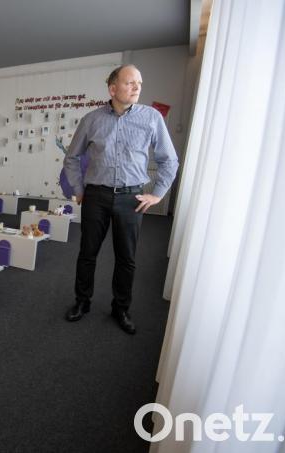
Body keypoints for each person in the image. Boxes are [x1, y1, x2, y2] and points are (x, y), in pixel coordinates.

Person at [59, 64, 179, 334]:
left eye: (139, 82)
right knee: (87, 253)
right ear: (113, 88)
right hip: (96, 197)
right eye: (130, 82)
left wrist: (157, 193)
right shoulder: (91, 119)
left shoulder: (151, 118)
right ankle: (82, 302)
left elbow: (168, 160)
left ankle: (121, 308)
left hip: (131, 198)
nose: (137, 87)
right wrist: (78, 189)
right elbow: (72, 157)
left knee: (127, 258)